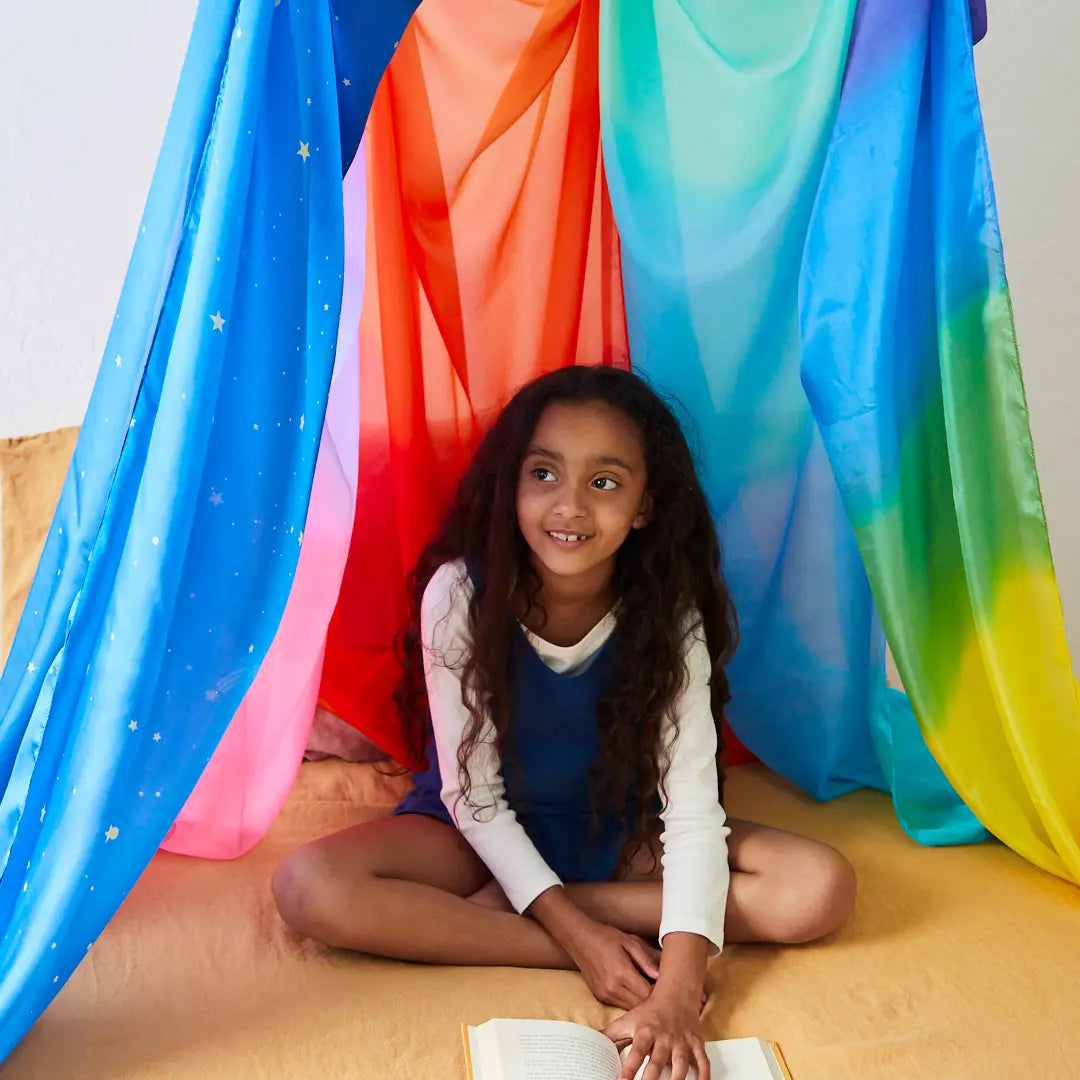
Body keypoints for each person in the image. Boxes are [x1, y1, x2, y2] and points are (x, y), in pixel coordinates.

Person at [272, 366, 856, 1080]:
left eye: (604, 482)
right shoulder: (459, 592)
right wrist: (581, 942)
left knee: (818, 887)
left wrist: (675, 994)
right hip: (475, 835)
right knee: (309, 887)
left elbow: (696, 815)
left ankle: (553, 906)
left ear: (645, 505)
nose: (570, 506)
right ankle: (559, 925)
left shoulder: (671, 615)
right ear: (510, 484)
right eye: (543, 473)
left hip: (620, 825)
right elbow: (474, 799)